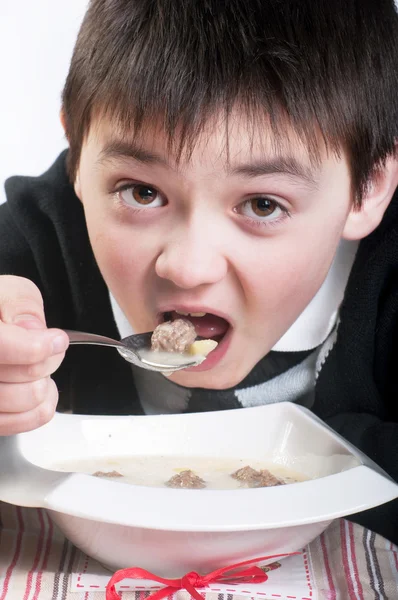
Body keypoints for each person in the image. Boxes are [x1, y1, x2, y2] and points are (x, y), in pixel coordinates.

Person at [1, 0, 398, 542]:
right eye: (142, 193)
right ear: (76, 152)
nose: (187, 267)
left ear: (367, 188)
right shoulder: (39, 238)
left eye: (262, 205)